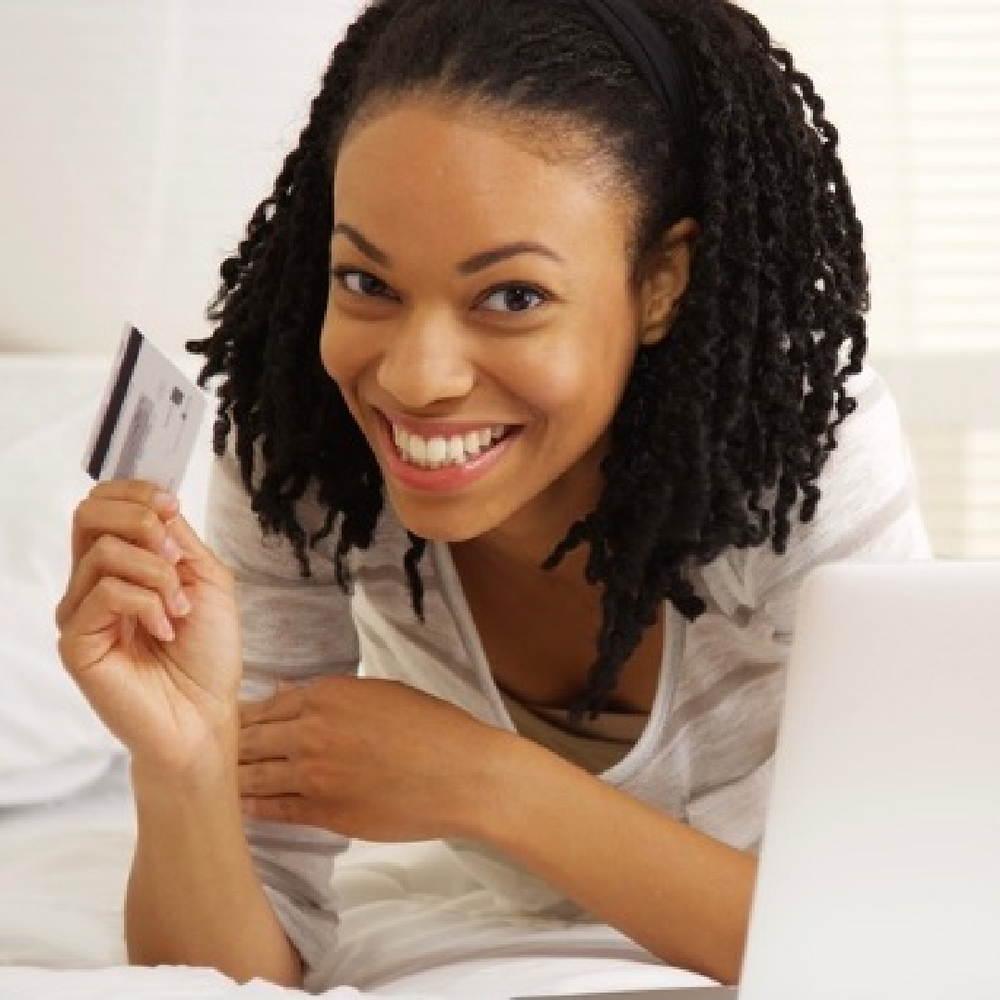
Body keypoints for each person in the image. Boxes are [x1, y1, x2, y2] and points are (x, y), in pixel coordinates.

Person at [55, 0, 930, 990]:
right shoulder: (307, 462)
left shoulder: (794, 454)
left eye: (512, 297)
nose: (416, 376)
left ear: (661, 282)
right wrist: (183, 760)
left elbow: (897, 932)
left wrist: (488, 782)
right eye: (367, 282)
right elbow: (234, 972)